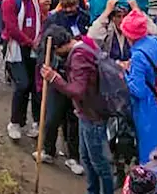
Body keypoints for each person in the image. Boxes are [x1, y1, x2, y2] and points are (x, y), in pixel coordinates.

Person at [40, 33, 116, 194]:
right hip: (87, 112)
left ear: (58, 48)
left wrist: (54, 78)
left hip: (93, 115)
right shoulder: (85, 43)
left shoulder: (79, 58)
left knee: (99, 162)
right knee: (87, 159)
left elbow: (77, 90)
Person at [1, 0, 47, 141]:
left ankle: (35, 121)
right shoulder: (10, 1)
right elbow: (12, 28)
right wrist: (29, 42)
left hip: (33, 47)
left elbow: (40, 18)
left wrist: (39, 38)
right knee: (22, 85)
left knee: (36, 85)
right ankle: (15, 122)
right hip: (16, 48)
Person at [35, 25, 86, 176]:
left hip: (73, 89)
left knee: (73, 122)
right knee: (51, 119)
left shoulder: (78, 53)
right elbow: (41, 62)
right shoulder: (49, 49)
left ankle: (73, 157)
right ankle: (48, 150)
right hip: (56, 88)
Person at [124, 9, 157, 164]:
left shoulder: (138, 56)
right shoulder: (155, 42)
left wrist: (124, 74)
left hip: (147, 109)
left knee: (149, 153)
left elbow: (138, 90)